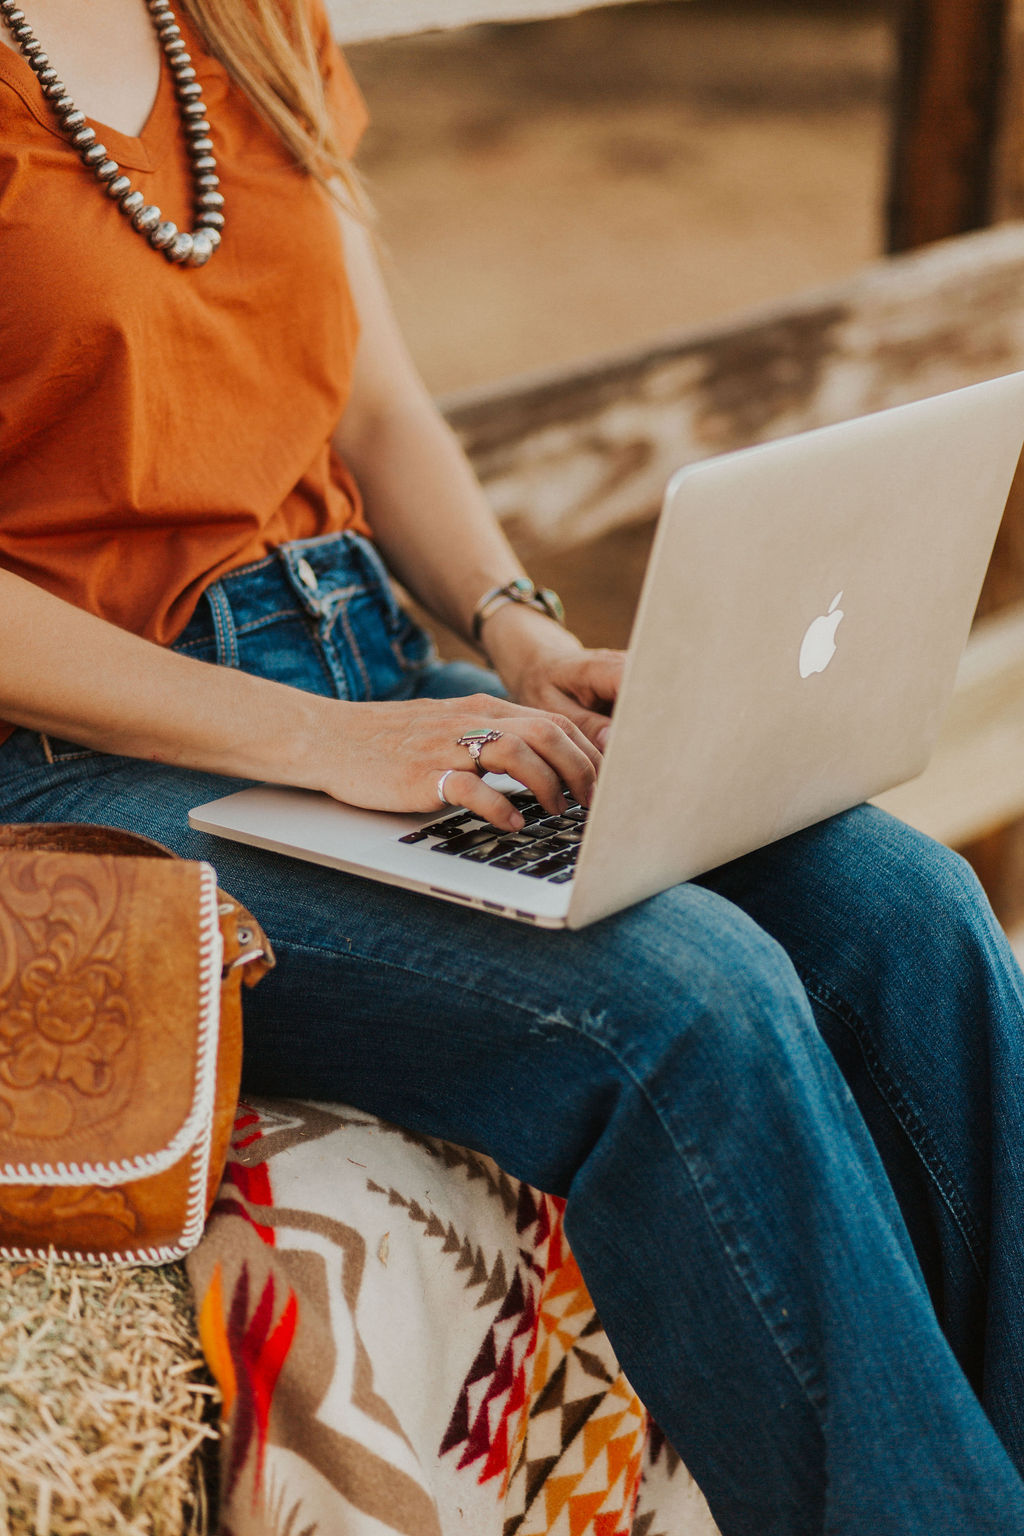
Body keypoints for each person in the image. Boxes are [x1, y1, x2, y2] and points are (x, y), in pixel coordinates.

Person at [2, 2, 1024, 1531]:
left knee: (903, 905)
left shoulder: (247, 20)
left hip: (366, 661)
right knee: (685, 998)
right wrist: (324, 744)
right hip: (82, 767)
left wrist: (519, 630)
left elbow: (378, 403)